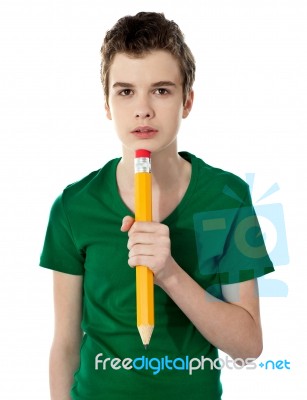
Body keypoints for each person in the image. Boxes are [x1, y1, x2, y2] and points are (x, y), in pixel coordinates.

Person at [39, 11, 274, 400]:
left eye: (161, 90)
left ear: (187, 101)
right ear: (107, 103)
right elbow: (64, 343)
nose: (143, 109)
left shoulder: (226, 197)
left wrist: (169, 274)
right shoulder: (73, 206)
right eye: (125, 91)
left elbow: (248, 348)